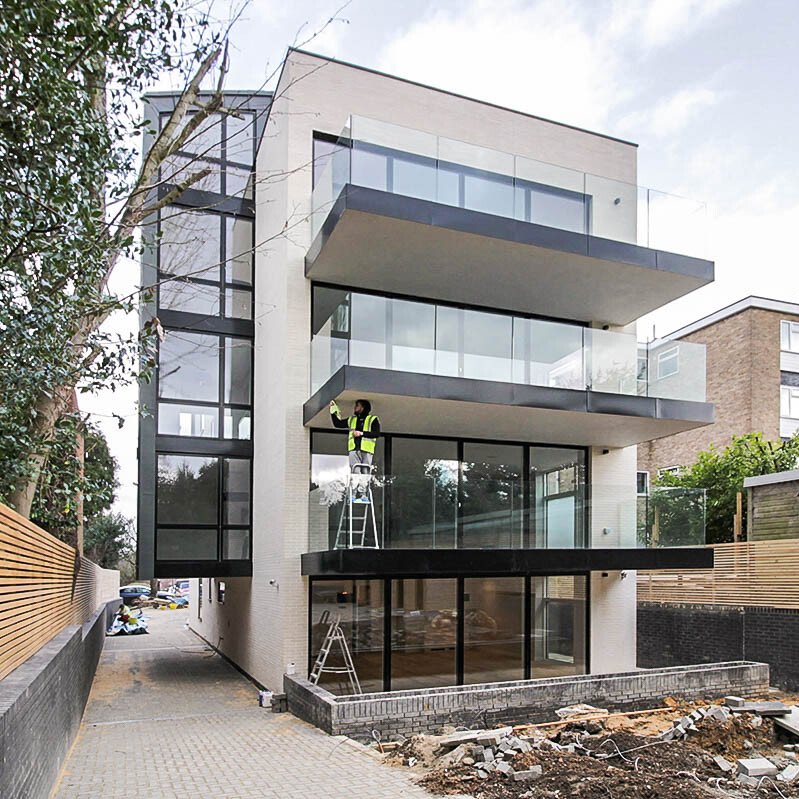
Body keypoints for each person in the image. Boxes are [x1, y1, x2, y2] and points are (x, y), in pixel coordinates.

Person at [330, 398, 380, 474]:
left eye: (357, 405)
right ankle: (356, 486)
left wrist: (361, 433)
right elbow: (337, 424)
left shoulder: (373, 419)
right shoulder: (352, 420)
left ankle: (363, 486)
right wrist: (333, 411)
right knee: (355, 472)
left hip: (366, 451)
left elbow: (376, 434)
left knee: (365, 473)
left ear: (363, 408)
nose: (355, 407)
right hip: (353, 450)